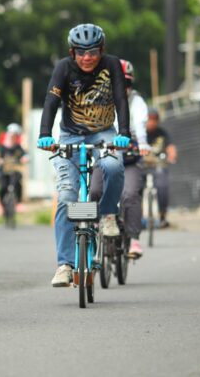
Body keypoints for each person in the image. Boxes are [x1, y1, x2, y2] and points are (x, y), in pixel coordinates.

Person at [37, 23, 131, 288]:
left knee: (113, 166)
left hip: (104, 133)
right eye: (81, 52)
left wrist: (123, 132)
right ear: (72, 52)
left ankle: (108, 215)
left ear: (102, 51)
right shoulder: (63, 68)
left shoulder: (112, 65)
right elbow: (51, 102)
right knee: (67, 196)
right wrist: (46, 134)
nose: (87, 58)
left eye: (93, 52)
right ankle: (65, 265)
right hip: (70, 135)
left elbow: (121, 100)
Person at [89, 59, 149, 258]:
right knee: (95, 190)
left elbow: (140, 125)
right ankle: (97, 226)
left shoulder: (137, 102)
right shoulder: (97, 100)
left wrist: (142, 144)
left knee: (130, 194)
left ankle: (133, 240)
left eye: (125, 84)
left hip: (130, 159)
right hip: (105, 156)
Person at [143, 108, 177, 228]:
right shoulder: (140, 133)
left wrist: (172, 155)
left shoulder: (163, 133)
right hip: (142, 165)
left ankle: (162, 216)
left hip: (158, 164)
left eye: (154, 119)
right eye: (149, 119)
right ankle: (135, 216)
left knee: (163, 187)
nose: (151, 122)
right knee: (135, 188)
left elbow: (170, 147)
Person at [0, 123, 27, 227]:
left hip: (14, 171)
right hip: (4, 171)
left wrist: (25, 158)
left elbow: (25, 154)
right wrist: (0, 160)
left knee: (18, 183)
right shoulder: (3, 147)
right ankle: (1, 204)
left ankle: (18, 202)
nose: (12, 137)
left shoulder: (18, 147)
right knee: (2, 187)